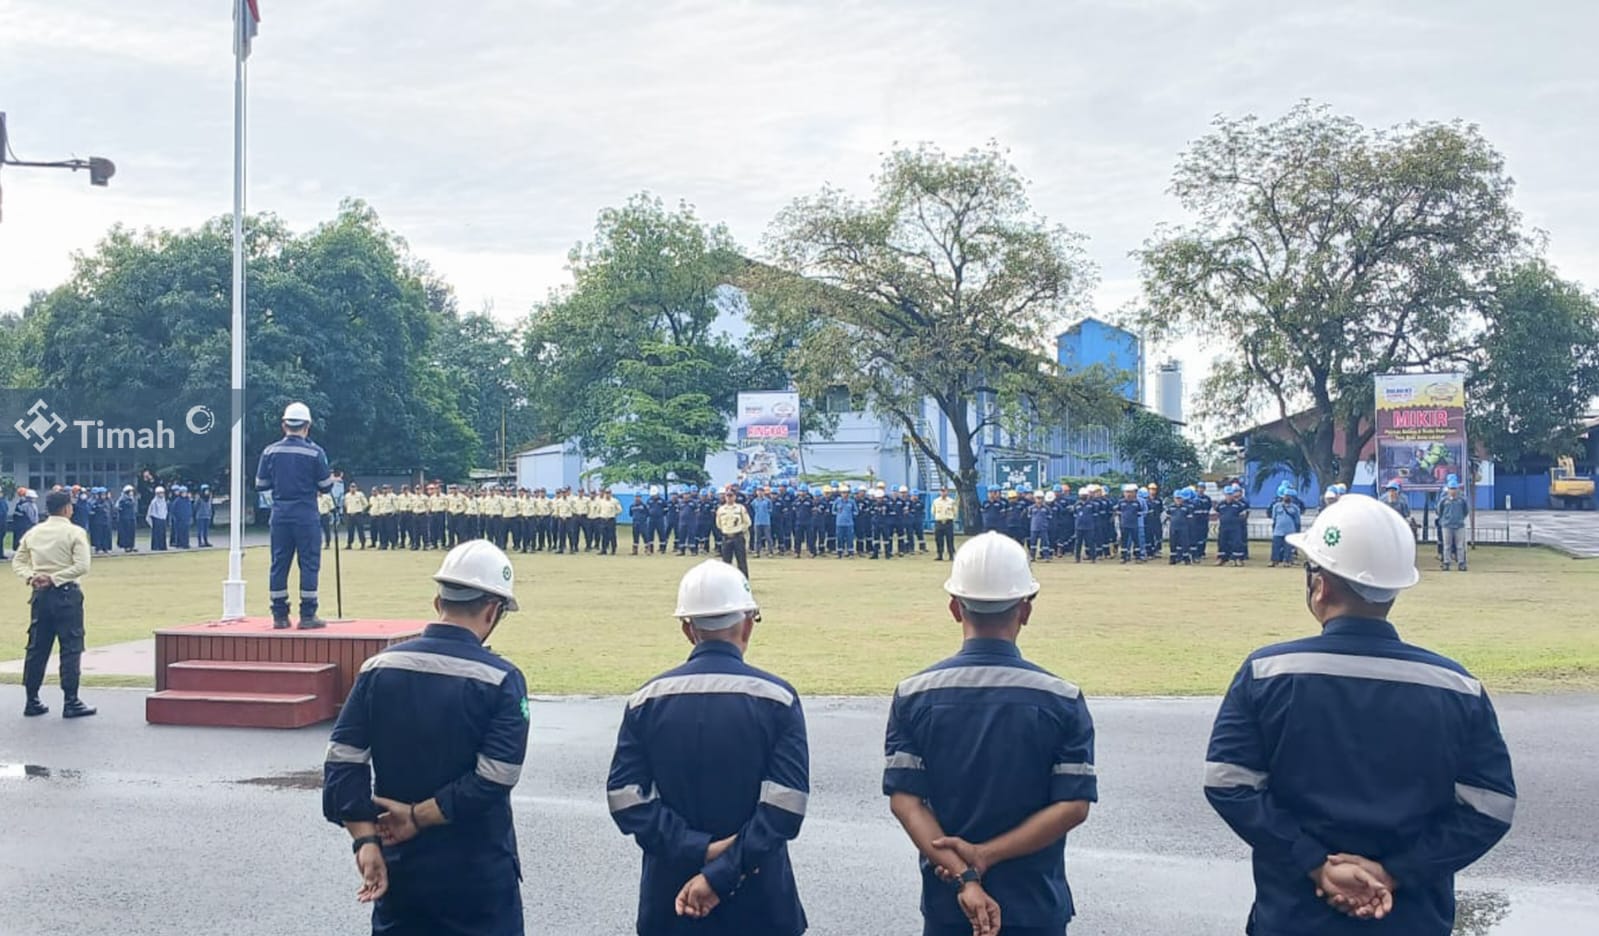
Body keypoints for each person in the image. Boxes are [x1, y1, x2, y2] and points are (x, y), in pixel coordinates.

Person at [1204, 493, 1515, 934]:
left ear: (1321, 584)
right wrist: (1396, 872)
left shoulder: (1266, 673)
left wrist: (1314, 863)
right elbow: (1491, 806)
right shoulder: (1457, 687)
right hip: (1411, 918)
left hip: (1293, 916)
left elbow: (1228, 782)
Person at [884, 532, 1096, 936]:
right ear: (1026, 609)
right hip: (1035, 903)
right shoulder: (1062, 698)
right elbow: (1073, 805)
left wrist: (966, 875)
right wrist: (985, 855)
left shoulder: (913, 694)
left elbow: (905, 802)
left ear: (953, 607)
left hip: (950, 904)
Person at [322, 540, 529, 935]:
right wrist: (418, 816)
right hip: (476, 871)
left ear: (439, 602)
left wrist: (364, 841)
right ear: (492, 610)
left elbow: (343, 761)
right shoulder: (502, 679)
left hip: (400, 867)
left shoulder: (378, 668)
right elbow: (496, 776)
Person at [607, 560, 810, 936]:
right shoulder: (777, 700)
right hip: (760, 897)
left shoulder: (646, 700)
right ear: (748, 622)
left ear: (688, 629)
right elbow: (785, 809)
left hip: (671, 895)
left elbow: (625, 799)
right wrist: (723, 869)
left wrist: (697, 850)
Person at [12, 490, 97, 718]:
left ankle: (32, 699)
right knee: (70, 646)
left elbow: (18, 560)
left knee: (37, 647)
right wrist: (56, 578)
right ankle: (71, 700)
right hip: (66, 594)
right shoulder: (74, 532)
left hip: (40, 594)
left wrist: (32, 576)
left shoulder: (35, 532)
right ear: (68, 508)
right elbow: (82, 566)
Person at [255, 402, 334, 630]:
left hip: (280, 513)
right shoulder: (315, 452)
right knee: (309, 563)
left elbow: (261, 484)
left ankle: (279, 616)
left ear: (284, 425)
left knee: (279, 563)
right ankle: (308, 615)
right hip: (306, 513)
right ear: (307, 426)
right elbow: (326, 485)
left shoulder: (269, 451)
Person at [716, 489, 751, 578]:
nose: (729, 498)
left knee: (741, 561)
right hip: (726, 537)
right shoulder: (721, 509)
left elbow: (747, 522)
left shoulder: (740, 508)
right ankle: (726, 581)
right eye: (727, 496)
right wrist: (726, 530)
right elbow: (718, 524)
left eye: (731, 496)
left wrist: (739, 530)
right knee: (726, 562)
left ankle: (744, 581)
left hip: (738, 537)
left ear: (735, 497)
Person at [1215, 484, 1250, 567]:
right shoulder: (1221, 504)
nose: (1229, 496)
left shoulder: (1238, 505)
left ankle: (1237, 559)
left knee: (1237, 542)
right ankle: (1221, 558)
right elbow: (1217, 513)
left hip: (1235, 527)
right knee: (1222, 542)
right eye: (1227, 494)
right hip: (1223, 527)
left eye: (1230, 494)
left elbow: (1243, 515)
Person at [1439, 479, 1470, 572]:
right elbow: (1439, 511)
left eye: (1454, 489)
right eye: (1451, 489)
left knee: (1460, 546)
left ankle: (1461, 563)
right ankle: (1446, 563)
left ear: (1457, 489)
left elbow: (1466, 511)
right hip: (1447, 525)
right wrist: (1445, 519)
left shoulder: (1461, 500)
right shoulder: (1444, 500)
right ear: (1448, 489)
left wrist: (1460, 518)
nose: (1452, 491)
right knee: (1447, 545)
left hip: (1459, 525)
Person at [1268, 488, 1301, 568]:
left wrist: (1297, 531)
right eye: (1286, 495)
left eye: (1289, 496)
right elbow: (1274, 518)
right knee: (1276, 546)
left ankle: (1287, 561)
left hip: (1290, 530)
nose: (1287, 497)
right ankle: (1274, 561)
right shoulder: (1276, 506)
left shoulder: (1295, 508)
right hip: (1278, 530)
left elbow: (1297, 520)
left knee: (1288, 548)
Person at [931, 487, 958, 561]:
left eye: (944, 491)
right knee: (938, 539)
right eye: (942, 491)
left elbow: (955, 512)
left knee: (950, 539)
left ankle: (951, 555)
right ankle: (940, 555)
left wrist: (952, 520)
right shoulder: (936, 501)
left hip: (948, 522)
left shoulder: (951, 501)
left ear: (947, 492)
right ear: (940, 492)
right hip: (939, 522)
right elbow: (933, 512)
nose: (943, 493)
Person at [345, 483, 370, 549]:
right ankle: (349, 544)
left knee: (360, 530)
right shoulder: (347, 495)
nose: (352, 488)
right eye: (351, 487)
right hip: (350, 515)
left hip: (358, 514)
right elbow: (346, 505)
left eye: (354, 487)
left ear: (356, 488)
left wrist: (362, 510)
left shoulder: (360, 494)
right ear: (349, 488)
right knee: (350, 530)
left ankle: (362, 544)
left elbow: (366, 504)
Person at [146, 486, 169, 551]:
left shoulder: (164, 501)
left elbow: (165, 510)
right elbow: (151, 511)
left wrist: (164, 516)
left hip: (162, 519)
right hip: (156, 519)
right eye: (160, 493)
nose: (162, 494)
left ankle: (162, 546)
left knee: (162, 533)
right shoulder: (154, 501)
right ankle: (156, 546)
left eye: (162, 493)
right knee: (156, 534)